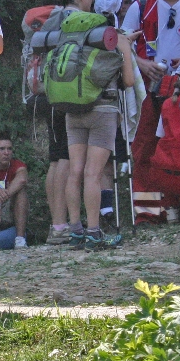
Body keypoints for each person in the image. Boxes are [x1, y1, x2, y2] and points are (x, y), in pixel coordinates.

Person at [122, 0, 180, 223]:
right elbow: (122, 42)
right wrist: (141, 62)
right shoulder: (141, 6)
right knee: (145, 148)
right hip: (149, 88)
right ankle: (150, 213)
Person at [66, 28, 137, 250]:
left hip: (72, 109)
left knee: (75, 171)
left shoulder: (76, 42)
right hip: (103, 111)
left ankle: (76, 231)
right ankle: (94, 233)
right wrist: (124, 45)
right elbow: (129, 81)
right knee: (93, 173)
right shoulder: (114, 43)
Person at [44, 0, 101, 244]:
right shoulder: (78, 22)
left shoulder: (52, 18)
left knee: (56, 159)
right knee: (66, 159)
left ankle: (57, 226)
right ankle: (62, 225)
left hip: (47, 91)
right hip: (70, 92)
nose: (92, 0)